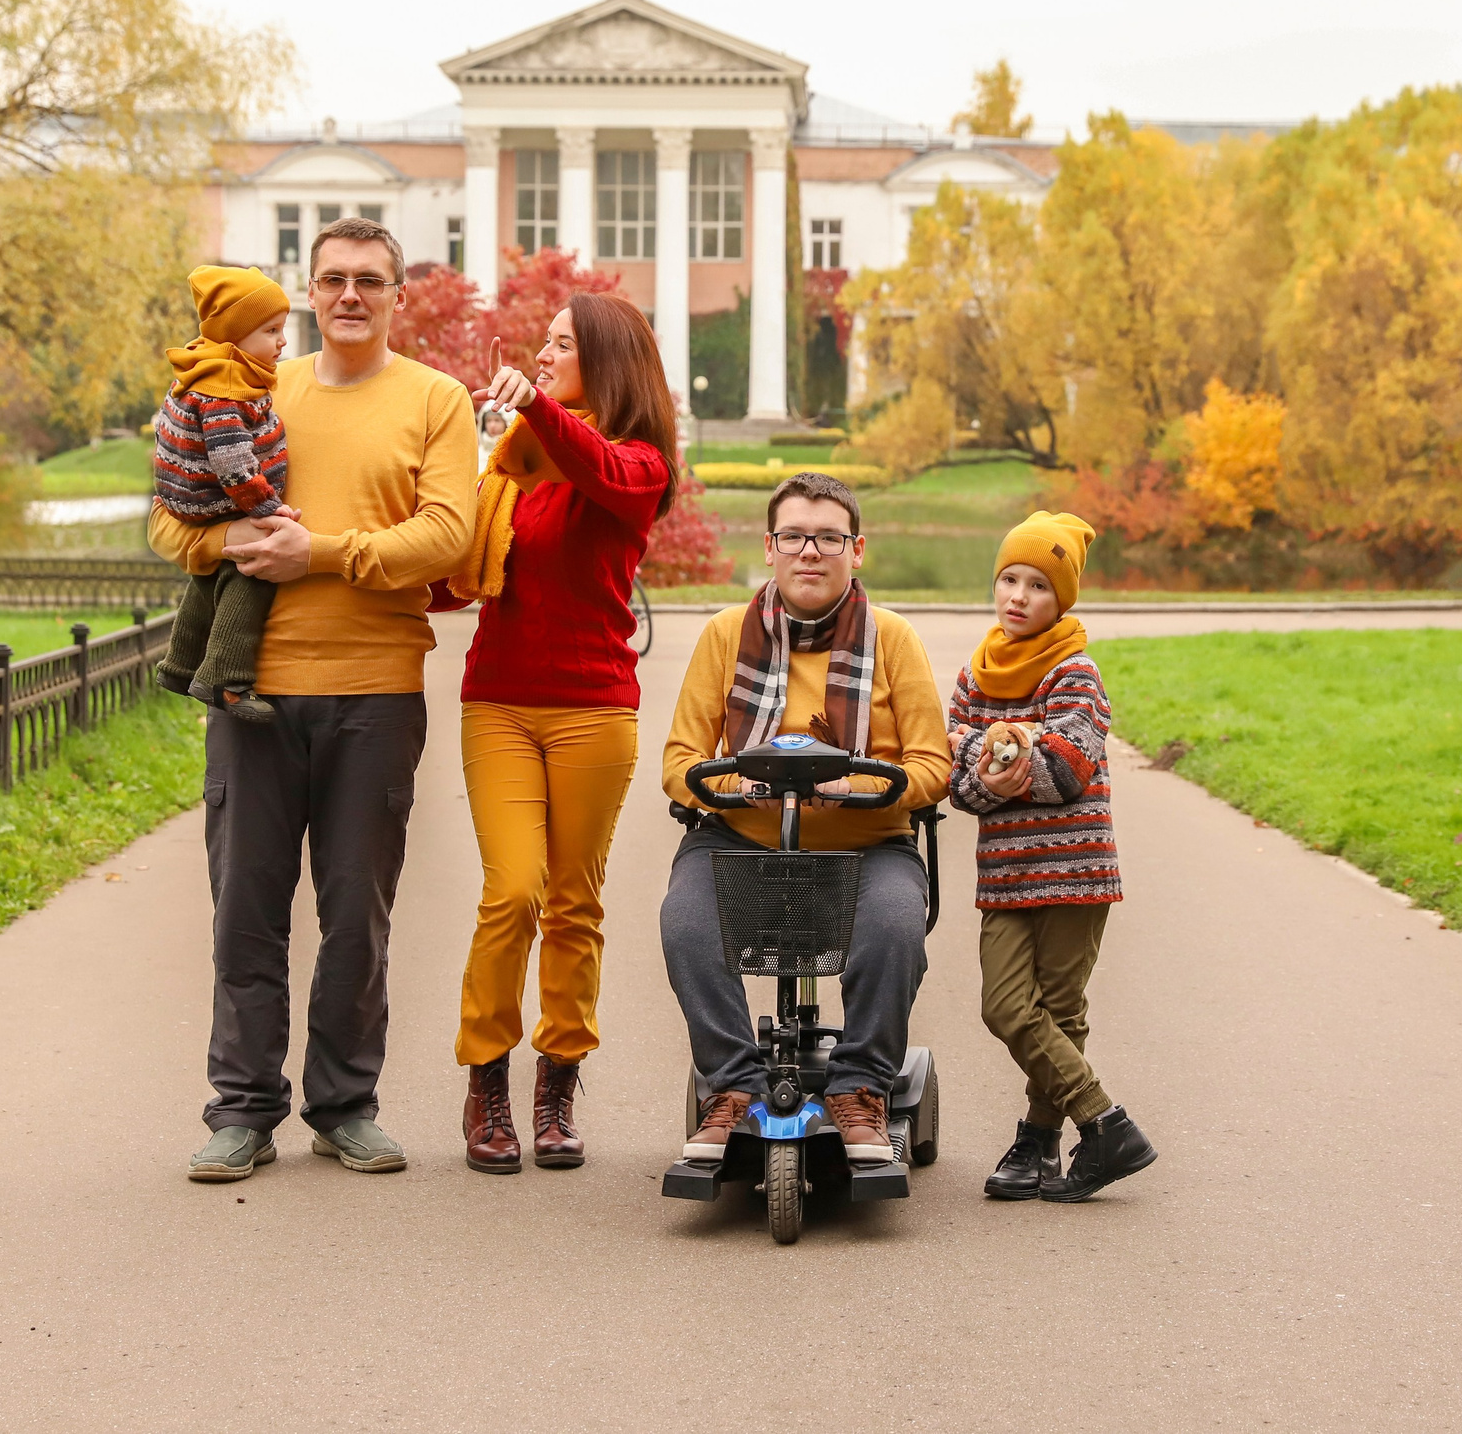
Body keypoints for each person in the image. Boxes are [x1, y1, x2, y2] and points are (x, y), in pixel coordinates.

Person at [151, 216, 476, 1184]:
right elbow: (169, 516)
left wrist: (321, 553)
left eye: (369, 280)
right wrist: (228, 544)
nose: (349, 295)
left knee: (355, 919)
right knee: (245, 914)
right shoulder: (254, 388)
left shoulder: (436, 399)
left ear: (397, 295)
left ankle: (344, 1106)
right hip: (251, 689)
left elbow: (447, 535)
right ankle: (242, 1112)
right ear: (308, 292)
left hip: (374, 692)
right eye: (332, 278)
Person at [431, 295, 675, 1173]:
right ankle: (487, 1080)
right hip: (498, 700)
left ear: (605, 360)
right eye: (542, 343)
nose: (541, 354)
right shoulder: (512, 463)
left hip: (594, 709)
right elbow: (456, 575)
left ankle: (557, 1084)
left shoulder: (638, 465)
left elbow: (597, 465)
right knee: (513, 891)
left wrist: (534, 408)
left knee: (574, 901)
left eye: (561, 344)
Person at [659, 472, 952, 1166]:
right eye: (793, 536)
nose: (810, 551)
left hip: (866, 844)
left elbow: (931, 766)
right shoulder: (724, 635)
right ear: (770, 547)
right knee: (686, 923)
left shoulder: (895, 639)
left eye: (828, 538)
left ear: (857, 549)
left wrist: (853, 786)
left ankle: (861, 1087)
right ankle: (733, 1084)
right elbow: (680, 763)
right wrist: (744, 785)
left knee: (895, 926)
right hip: (741, 837)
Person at [945, 511, 1157, 1202]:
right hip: (1005, 876)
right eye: (1010, 578)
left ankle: (1036, 1143)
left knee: (1060, 1009)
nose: (1019, 596)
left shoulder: (1076, 673)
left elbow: (1065, 770)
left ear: (1060, 598)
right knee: (1005, 1006)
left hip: (1074, 870)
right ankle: (1105, 1122)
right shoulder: (976, 676)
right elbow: (958, 784)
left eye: (1038, 585)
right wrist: (1008, 752)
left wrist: (987, 751)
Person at [151, 266, 292, 722]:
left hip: (188, 496)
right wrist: (267, 511)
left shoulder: (205, 368)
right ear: (234, 336)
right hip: (215, 496)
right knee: (255, 570)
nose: (282, 341)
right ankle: (225, 678)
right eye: (271, 331)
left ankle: (179, 665)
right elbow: (233, 463)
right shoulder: (225, 389)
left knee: (210, 573)